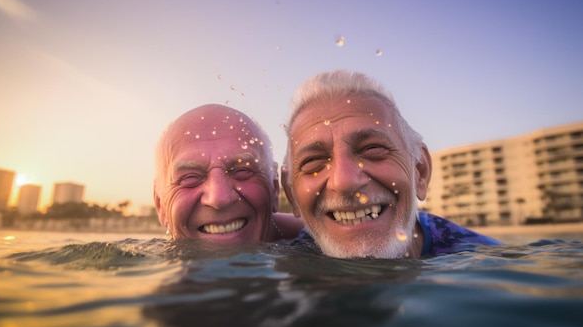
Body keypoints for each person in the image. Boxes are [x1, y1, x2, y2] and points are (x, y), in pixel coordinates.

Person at [281, 69, 501, 259]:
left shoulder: (479, 259)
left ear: (420, 171)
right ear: (293, 196)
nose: (345, 181)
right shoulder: (289, 257)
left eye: (372, 149)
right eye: (313, 161)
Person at [154, 104, 303, 245]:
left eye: (242, 171)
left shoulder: (315, 243)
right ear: (160, 205)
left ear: (274, 190)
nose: (219, 199)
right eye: (190, 178)